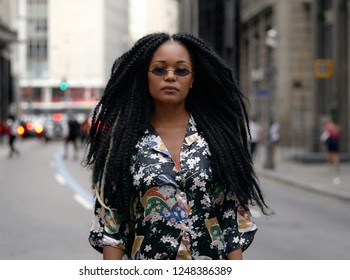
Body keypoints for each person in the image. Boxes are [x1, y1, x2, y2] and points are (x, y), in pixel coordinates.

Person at [84, 32, 269, 260]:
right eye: (160, 70)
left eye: (181, 71)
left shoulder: (216, 139)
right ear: (146, 77)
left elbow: (231, 220)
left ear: (192, 80)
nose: (170, 76)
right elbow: (112, 227)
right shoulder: (123, 143)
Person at [323, 118, 341, 184]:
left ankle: (331, 166)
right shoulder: (337, 127)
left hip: (331, 141)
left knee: (330, 154)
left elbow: (326, 132)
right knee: (335, 154)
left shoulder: (330, 126)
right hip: (336, 141)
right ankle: (336, 163)